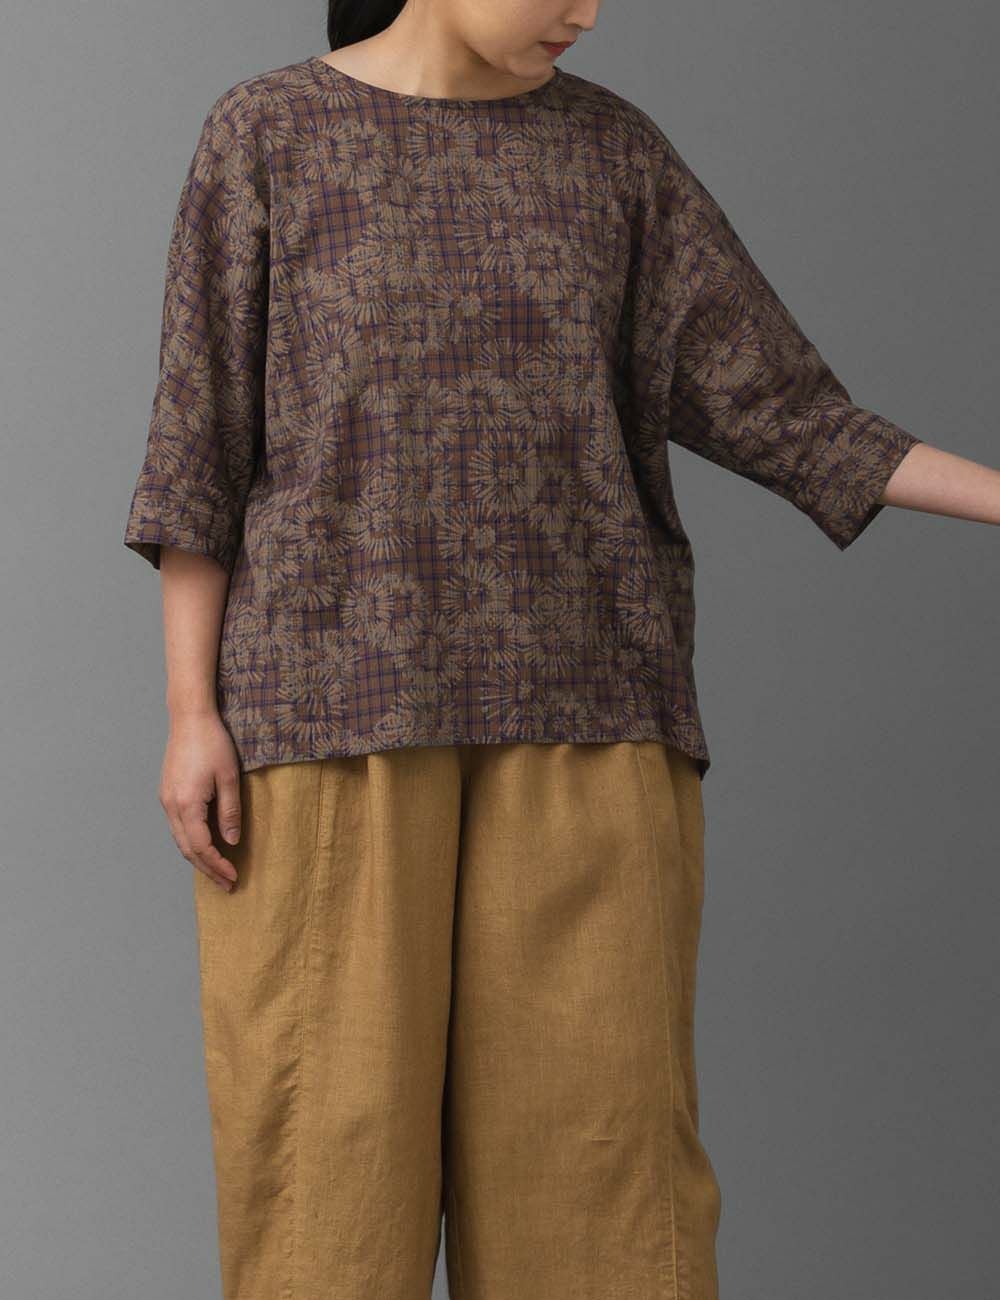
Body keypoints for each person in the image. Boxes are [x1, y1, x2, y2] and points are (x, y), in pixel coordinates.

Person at [121, 2, 997, 1297]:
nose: (586, 8)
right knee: (325, 1198)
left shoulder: (614, 156)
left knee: (605, 1198)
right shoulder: (267, 135)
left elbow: (790, 412)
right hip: (326, 724)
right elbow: (200, 448)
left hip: (595, 721)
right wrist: (192, 712)